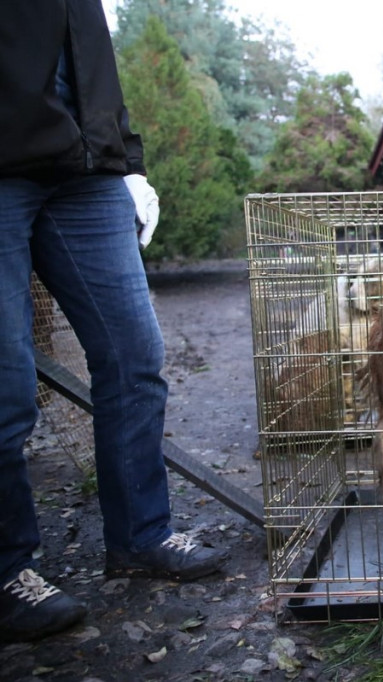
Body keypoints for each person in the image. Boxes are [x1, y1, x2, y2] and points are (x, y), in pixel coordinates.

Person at [0, 1, 227, 643]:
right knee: (6, 390)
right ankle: (8, 572)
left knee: (135, 358)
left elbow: (90, 54)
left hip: (87, 170)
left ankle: (139, 537)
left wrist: (127, 158)